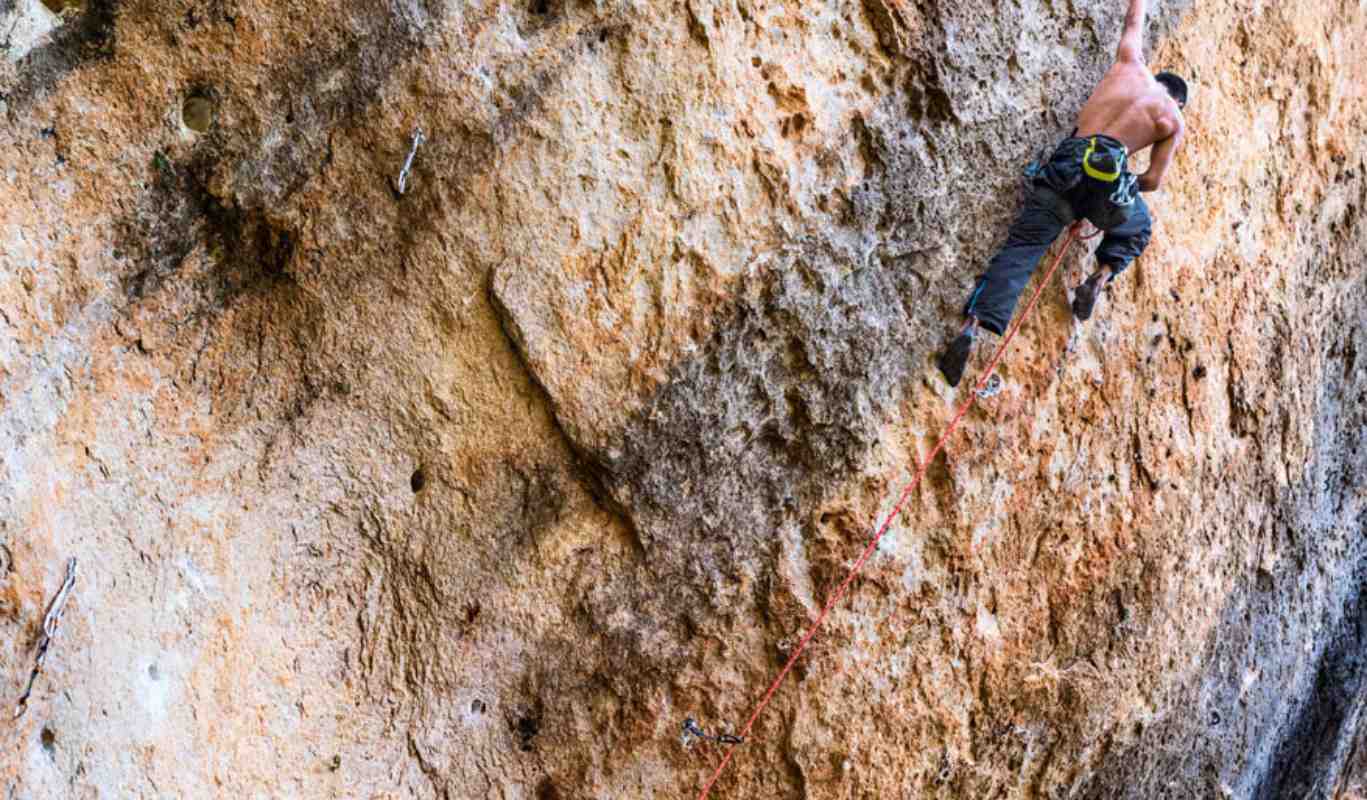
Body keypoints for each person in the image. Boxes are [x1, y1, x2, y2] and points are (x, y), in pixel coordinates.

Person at [936, 0, 1188, 387]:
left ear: (1157, 76)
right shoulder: (1173, 118)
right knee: (1137, 226)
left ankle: (970, 327)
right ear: (1179, 99)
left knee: (1022, 249)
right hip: (1104, 193)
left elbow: (1135, 19)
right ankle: (1101, 276)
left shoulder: (1130, 64)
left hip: (1068, 166)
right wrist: (1122, 183)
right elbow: (1153, 180)